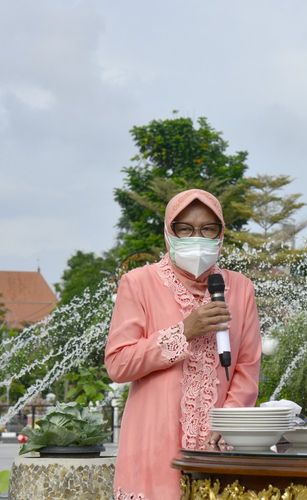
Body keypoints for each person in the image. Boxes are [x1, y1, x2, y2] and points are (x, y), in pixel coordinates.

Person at [105, 189, 262, 499]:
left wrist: (228, 422)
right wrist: (183, 331)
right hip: (153, 445)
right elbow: (118, 363)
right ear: (169, 231)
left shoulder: (239, 288)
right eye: (186, 229)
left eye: (207, 229)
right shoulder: (138, 283)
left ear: (221, 233)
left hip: (219, 444)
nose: (197, 237)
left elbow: (247, 368)